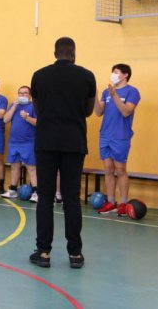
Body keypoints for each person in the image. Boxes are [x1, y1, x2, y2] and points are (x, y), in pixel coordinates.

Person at [29, 37, 96, 269]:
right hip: (74, 142)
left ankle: (44, 252)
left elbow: (38, 108)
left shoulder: (39, 76)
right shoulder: (87, 76)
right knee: (71, 197)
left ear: (55, 52)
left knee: (45, 197)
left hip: (46, 141)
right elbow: (88, 110)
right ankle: (75, 254)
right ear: (73, 53)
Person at [94, 64, 140, 216]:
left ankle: (124, 203)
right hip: (105, 135)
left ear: (125, 75)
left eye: (116, 72)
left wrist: (114, 95)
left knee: (120, 170)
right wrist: (94, 95)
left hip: (120, 136)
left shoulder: (132, 91)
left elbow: (126, 112)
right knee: (108, 169)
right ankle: (111, 202)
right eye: (112, 72)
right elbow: (99, 112)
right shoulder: (107, 92)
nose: (113, 74)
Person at [2, 86, 37, 199]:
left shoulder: (34, 106)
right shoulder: (13, 105)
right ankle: (12, 190)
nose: (22, 95)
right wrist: (14, 106)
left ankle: (37, 193)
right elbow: (5, 119)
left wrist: (27, 118)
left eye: (25, 93)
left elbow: (39, 123)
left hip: (28, 142)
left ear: (30, 95)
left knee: (31, 168)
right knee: (14, 166)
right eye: (20, 93)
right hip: (14, 142)